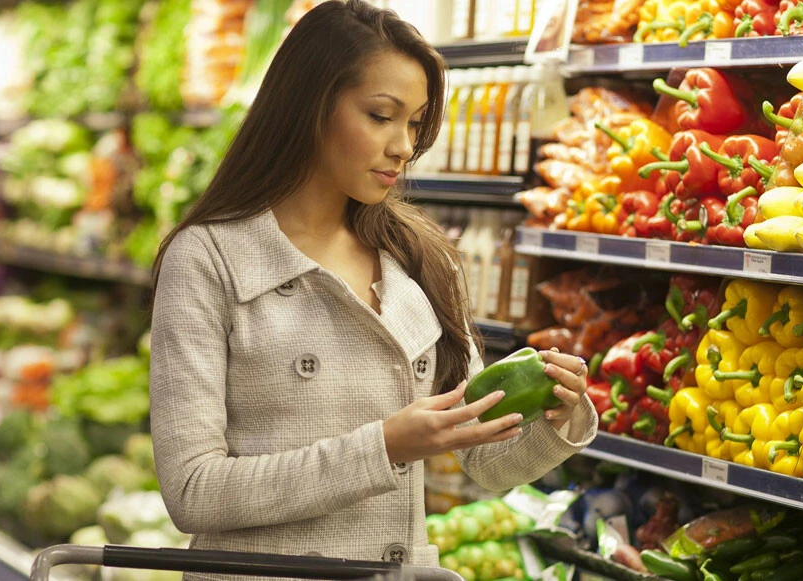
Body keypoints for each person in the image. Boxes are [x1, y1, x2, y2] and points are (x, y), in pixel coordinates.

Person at [148, 2, 598, 578]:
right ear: (309, 106)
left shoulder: (420, 258)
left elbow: (485, 462)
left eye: (414, 123)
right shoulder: (209, 259)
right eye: (381, 116)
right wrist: (383, 448)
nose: (404, 146)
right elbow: (193, 491)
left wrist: (555, 414)